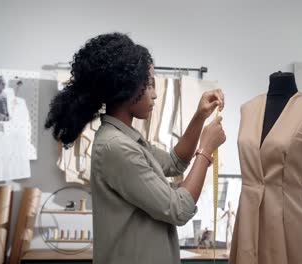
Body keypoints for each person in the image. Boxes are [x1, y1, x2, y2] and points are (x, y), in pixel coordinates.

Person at [45, 33, 226, 264]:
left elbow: (174, 162)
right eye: (149, 83)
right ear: (126, 86)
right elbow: (178, 209)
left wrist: (200, 117)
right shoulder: (116, 147)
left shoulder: (124, 139)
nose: (155, 93)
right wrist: (206, 149)